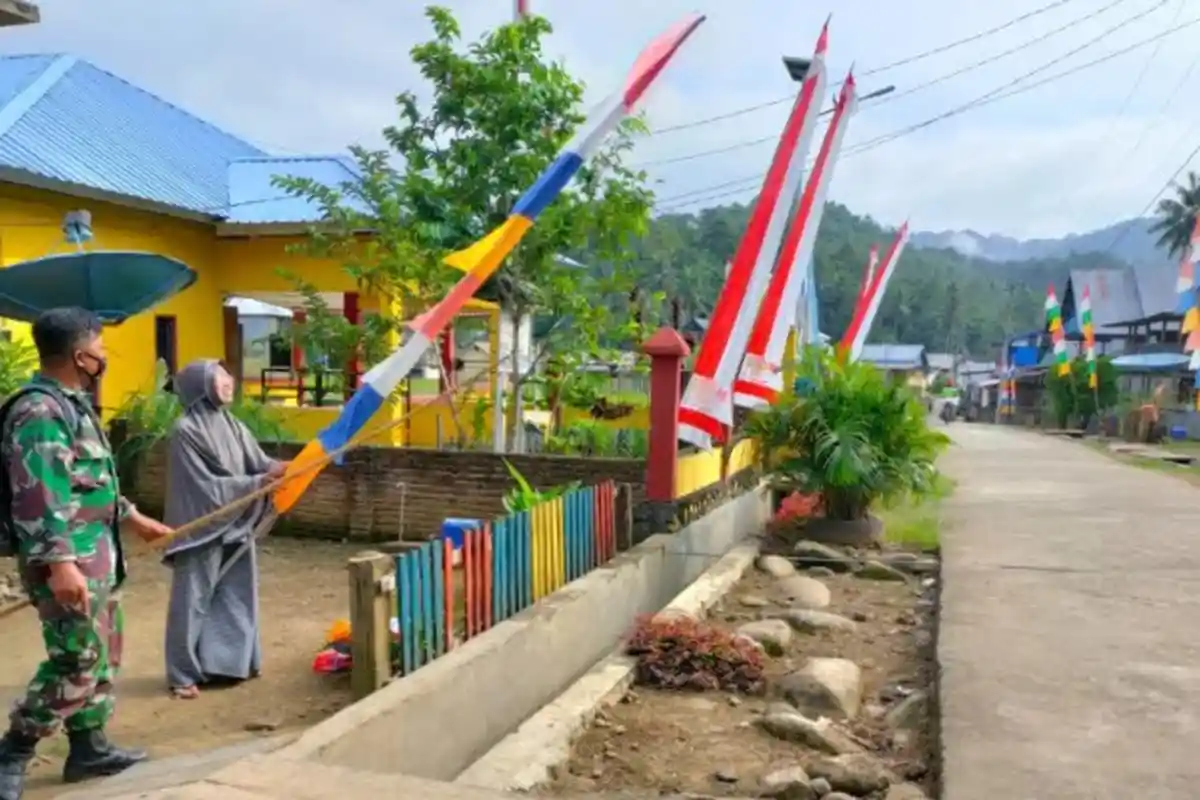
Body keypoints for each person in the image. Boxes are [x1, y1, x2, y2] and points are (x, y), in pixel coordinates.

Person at [0, 307, 173, 800]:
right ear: (80, 355)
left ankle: (88, 746)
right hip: (68, 560)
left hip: (95, 554)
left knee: (102, 653)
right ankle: (13, 748)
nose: (103, 357)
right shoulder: (39, 412)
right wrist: (60, 565)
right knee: (76, 659)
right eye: (100, 348)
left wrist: (133, 518)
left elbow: (86, 483)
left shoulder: (70, 404)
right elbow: (39, 495)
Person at [162, 360, 285, 699]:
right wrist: (260, 481)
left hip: (236, 523)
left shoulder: (233, 425)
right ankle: (182, 673)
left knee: (237, 593)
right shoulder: (185, 432)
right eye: (219, 376)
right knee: (192, 601)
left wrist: (300, 465)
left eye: (228, 375)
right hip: (201, 527)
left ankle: (229, 664)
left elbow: (261, 464)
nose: (229, 381)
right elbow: (206, 488)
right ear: (201, 385)